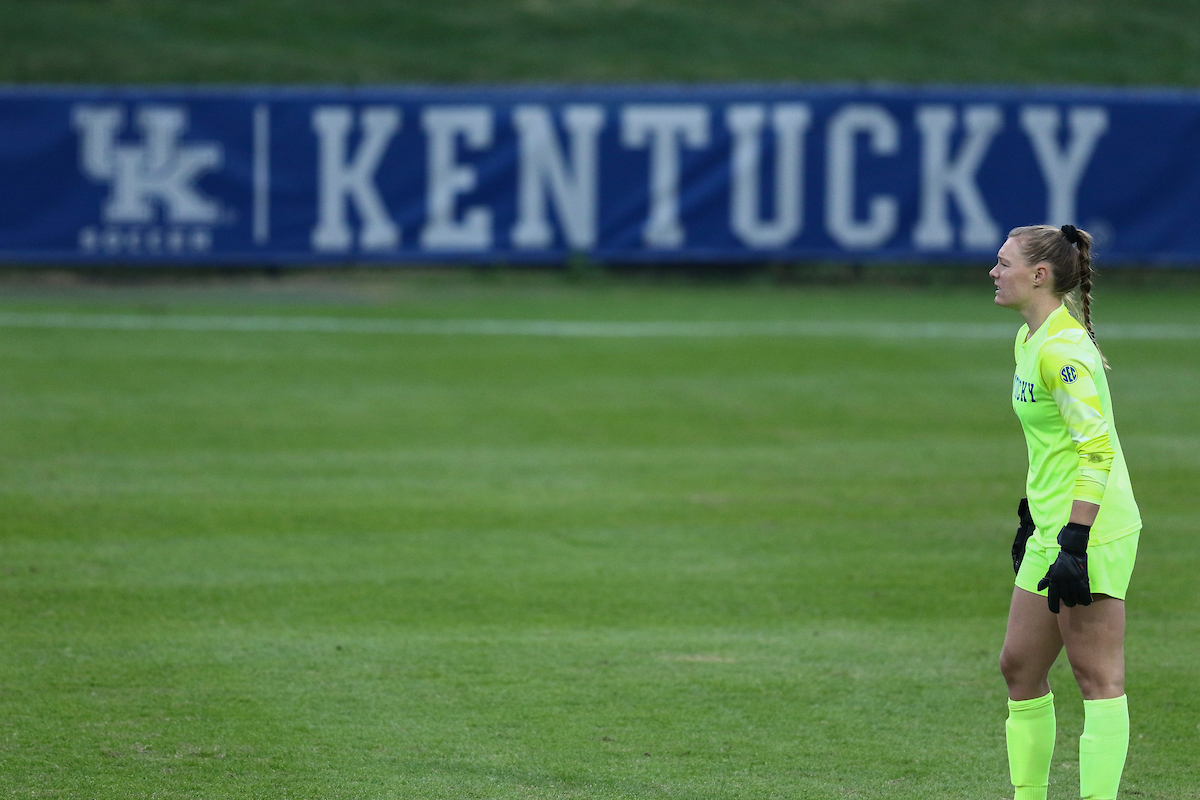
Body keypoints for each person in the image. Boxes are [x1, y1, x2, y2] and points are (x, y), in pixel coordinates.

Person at [990, 224, 1141, 800]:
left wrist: (1075, 537)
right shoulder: (1031, 341)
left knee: (1096, 677)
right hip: (1052, 527)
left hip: (1091, 528)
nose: (993, 272)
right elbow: (1054, 444)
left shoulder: (1063, 351)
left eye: (1004, 263)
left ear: (1039, 275)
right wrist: (1035, 513)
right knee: (1019, 667)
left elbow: (1095, 449)